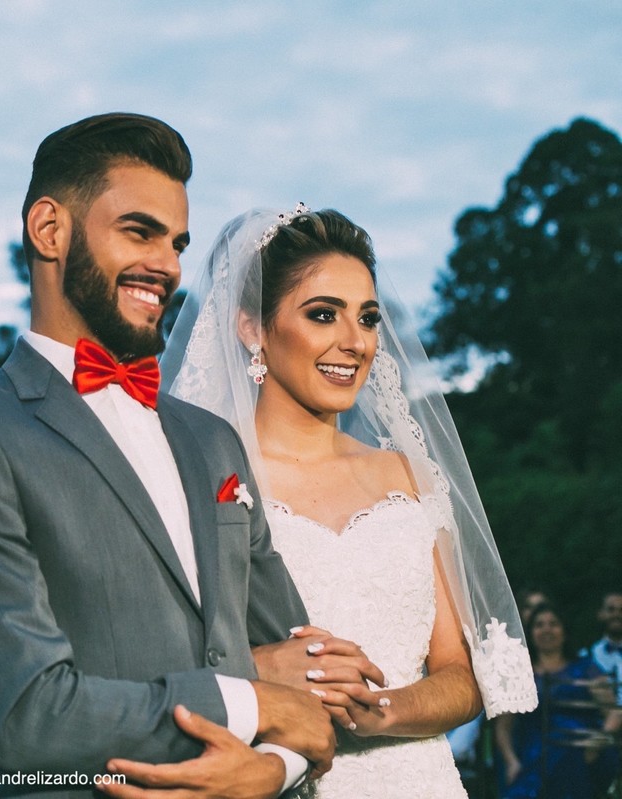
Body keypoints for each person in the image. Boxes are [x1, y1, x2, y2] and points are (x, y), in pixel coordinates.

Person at [0, 113, 356, 799]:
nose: (169, 266)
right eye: (139, 232)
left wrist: (272, 768)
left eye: (177, 243)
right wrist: (250, 700)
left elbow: (305, 675)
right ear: (49, 229)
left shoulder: (213, 440)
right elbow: (31, 715)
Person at [161, 205, 540, 796]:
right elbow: (160, 658)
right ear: (252, 328)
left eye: (367, 318)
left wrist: (382, 710)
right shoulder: (205, 478)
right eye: (322, 314)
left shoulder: (410, 477)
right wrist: (262, 671)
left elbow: (460, 674)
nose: (355, 342)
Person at [495, 604, 619, 798]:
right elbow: (503, 727)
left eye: (553, 624)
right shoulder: (519, 673)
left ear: (564, 631)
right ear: (530, 633)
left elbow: (614, 711)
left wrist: (597, 742)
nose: (547, 630)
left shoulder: (586, 669)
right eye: (539, 625)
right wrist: (511, 762)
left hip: (580, 754)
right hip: (532, 754)